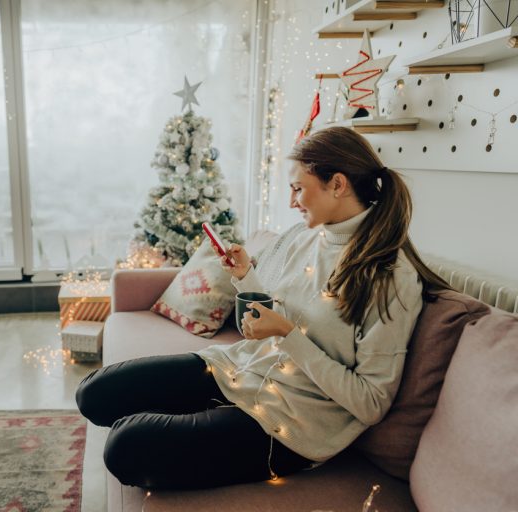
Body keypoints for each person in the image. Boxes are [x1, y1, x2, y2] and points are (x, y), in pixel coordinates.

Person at [75, 126, 450, 490]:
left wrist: (287, 335)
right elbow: (278, 308)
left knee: (125, 446)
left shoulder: (389, 277)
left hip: (293, 422)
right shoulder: (305, 236)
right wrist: (246, 277)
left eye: (298, 188)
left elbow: (370, 404)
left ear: (337, 184)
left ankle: (203, 422)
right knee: (95, 393)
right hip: (239, 371)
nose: (291, 201)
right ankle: (203, 415)